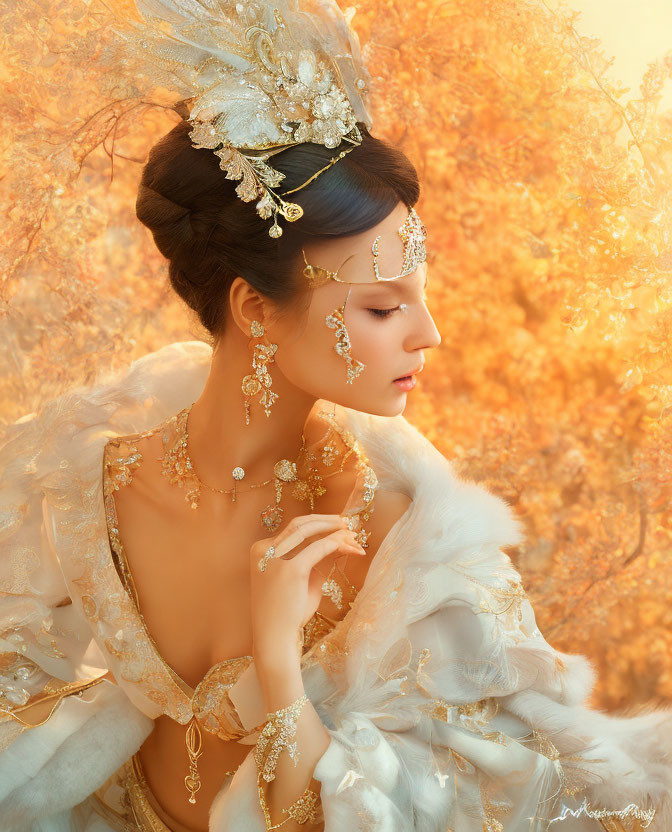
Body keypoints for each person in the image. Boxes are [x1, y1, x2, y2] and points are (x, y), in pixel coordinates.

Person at [1, 2, 671, 831]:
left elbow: (439, 808)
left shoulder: (402, 539)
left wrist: (279, 662)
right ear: (253, 306)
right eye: (385, 307)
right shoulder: (83, 493)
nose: (430, 335)